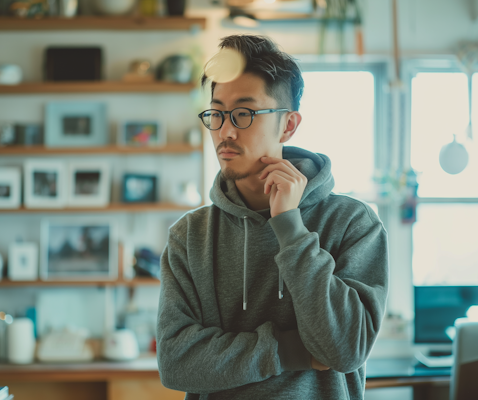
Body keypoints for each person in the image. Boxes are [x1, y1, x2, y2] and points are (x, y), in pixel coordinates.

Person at [156, 34, 389, 400]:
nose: (226, 131)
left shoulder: (352, 223)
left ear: (288, 125)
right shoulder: (190, 235)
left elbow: (344, 350)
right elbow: (176, 362)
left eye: (244, 113)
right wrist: (291, 351)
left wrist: (291, 229)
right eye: (217, 113)